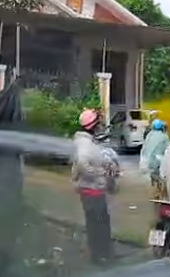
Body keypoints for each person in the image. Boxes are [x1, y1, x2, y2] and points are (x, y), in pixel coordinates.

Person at [70, 109, 121, 264]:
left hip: (91, 189)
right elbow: (82, 163)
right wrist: (100, 173)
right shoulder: (84, 144)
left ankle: (99, 254)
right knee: (100, 224)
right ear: (92, 125)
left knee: (95, 223)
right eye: (97, 123)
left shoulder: (86, 141)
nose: (99, 126)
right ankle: (102, 255)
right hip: (92, 190)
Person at [139, 119, 170, 199]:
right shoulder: (164, 136)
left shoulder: (149, 135)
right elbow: (169, 148)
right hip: (158, 161)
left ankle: (156, 192)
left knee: (153, 177)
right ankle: (160, 192)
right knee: (161, 177)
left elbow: (144, 148)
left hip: (148, 161)